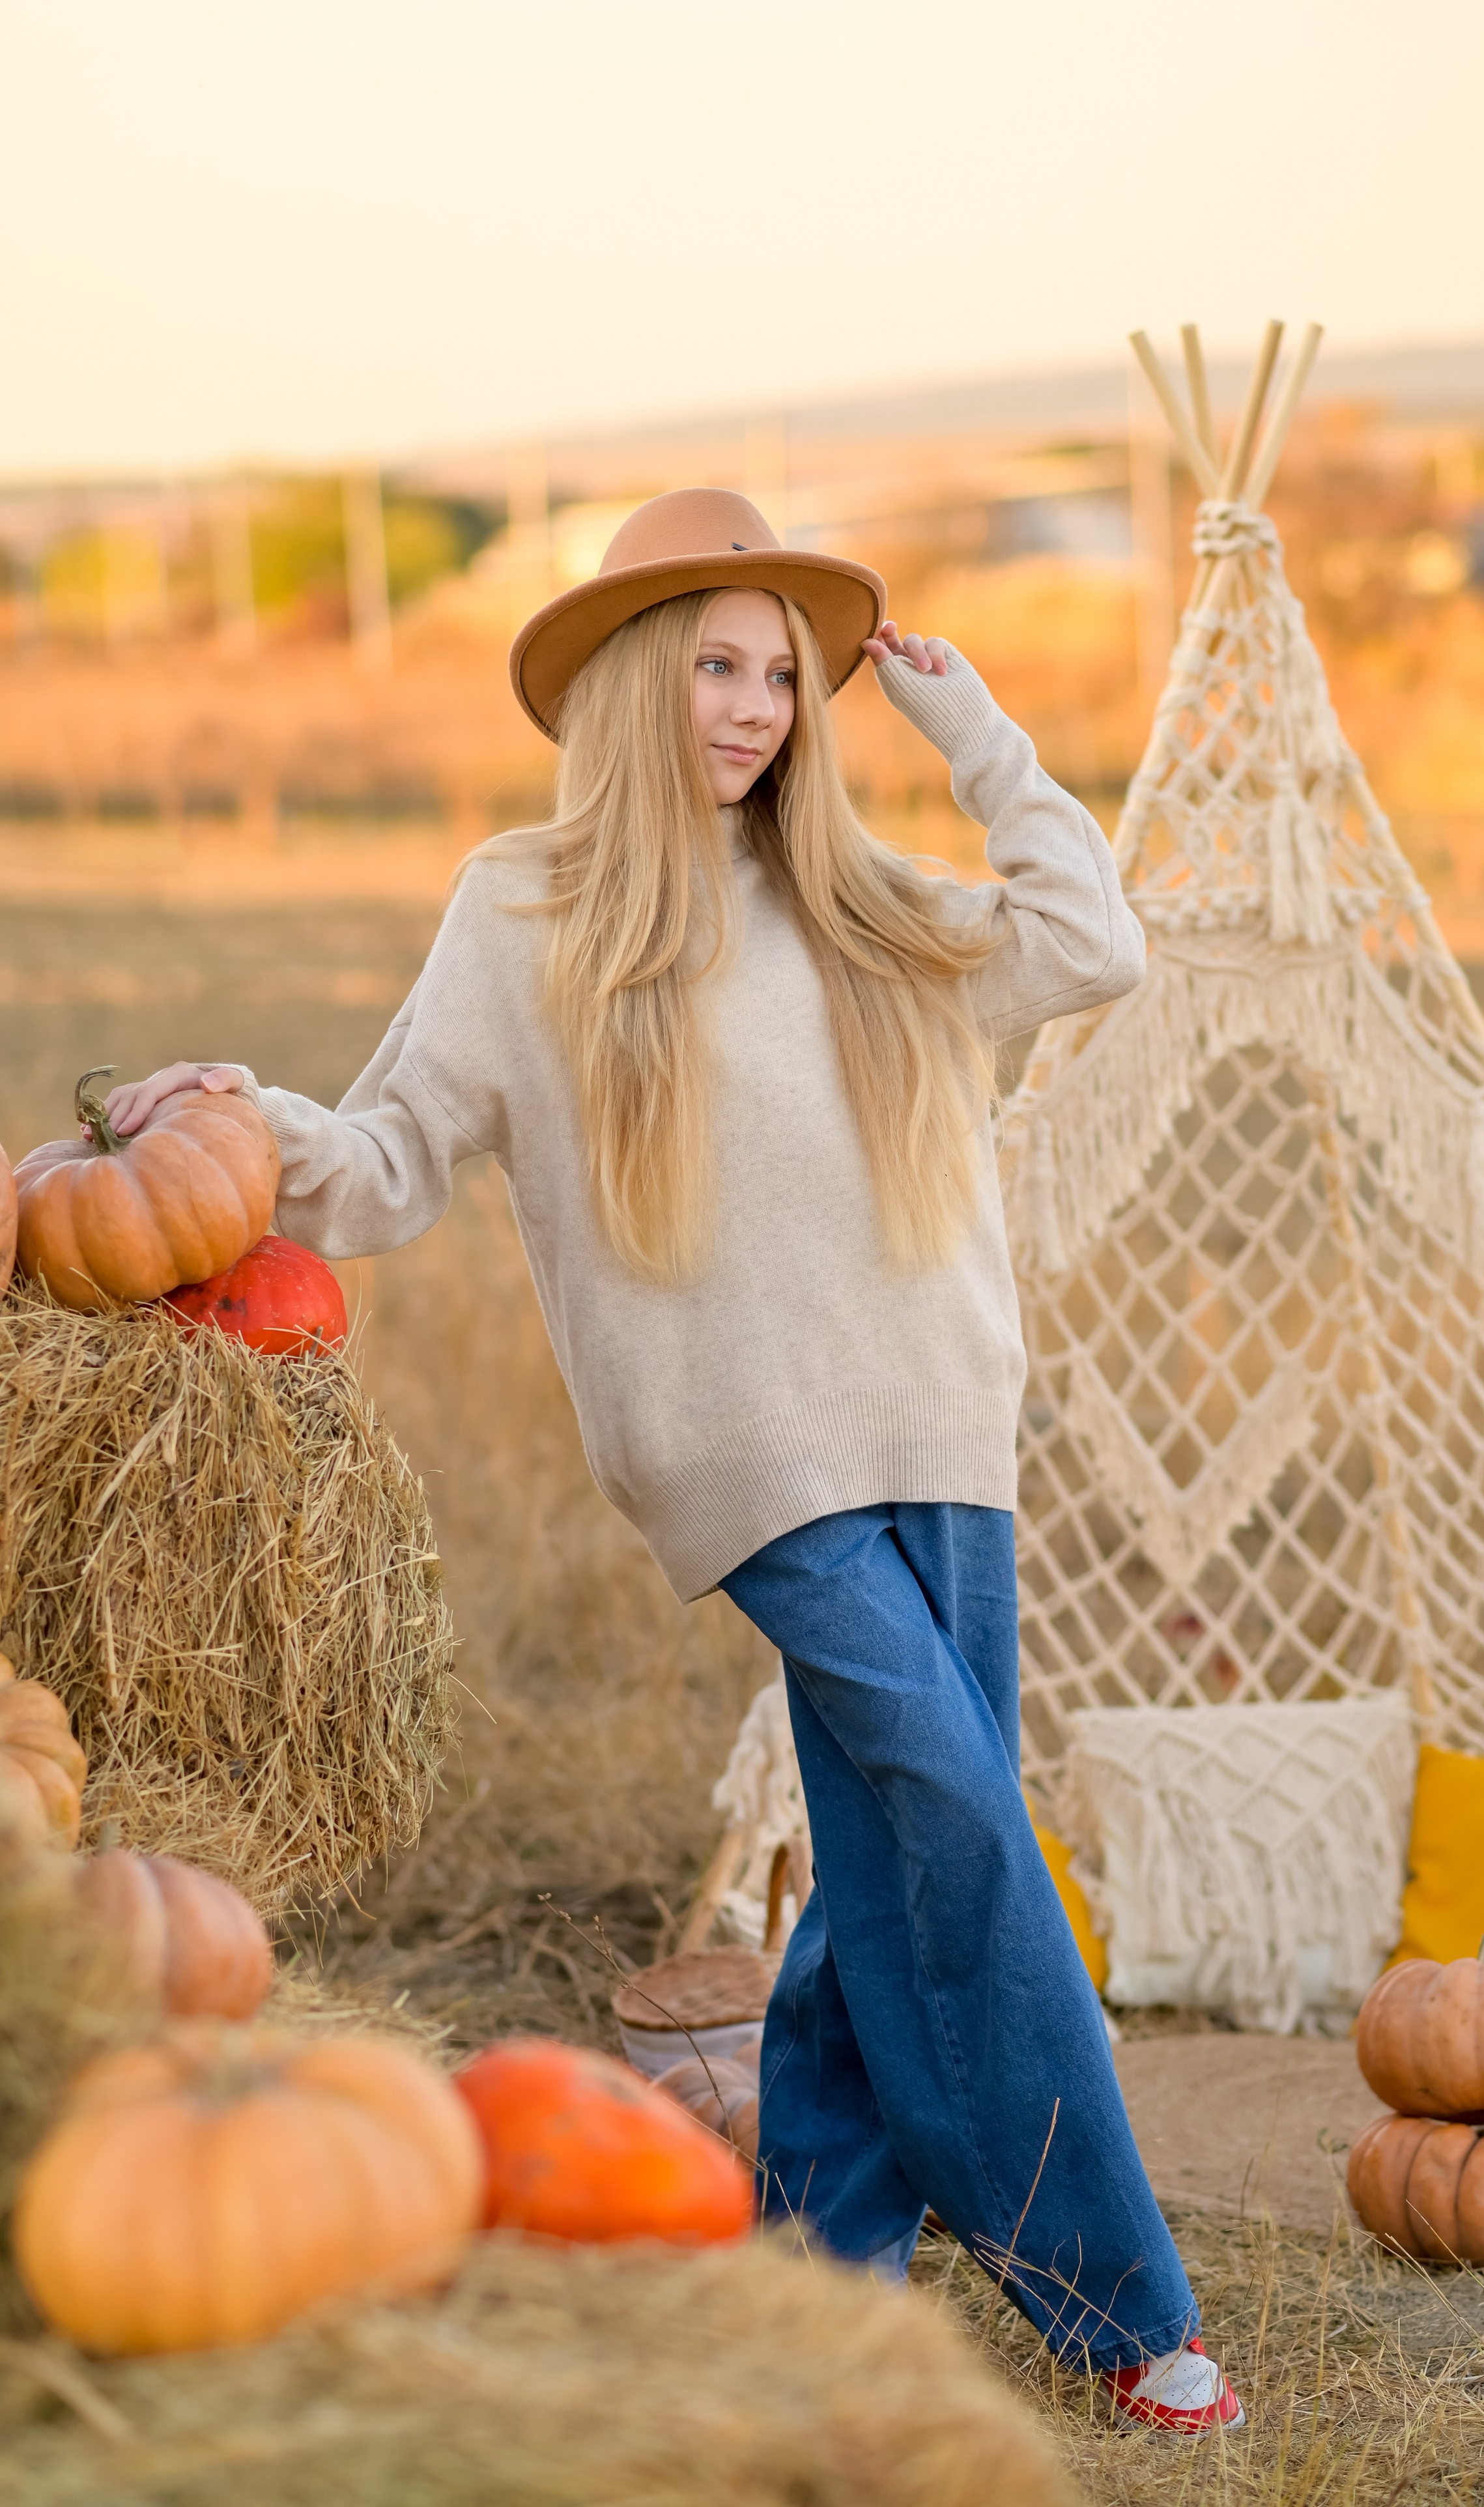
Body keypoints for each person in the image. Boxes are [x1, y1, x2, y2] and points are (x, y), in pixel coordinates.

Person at [106, 489, 1242, 2435]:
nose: (752, 708)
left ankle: (818, 2271)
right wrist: (231, 1122)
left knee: (888, 1862)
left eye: (782, 675)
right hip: (749, 1465)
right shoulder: (527, 909)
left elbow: (1092, 941)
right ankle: (1119, 2306)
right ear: (639, 678)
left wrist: (978, 737)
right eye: (716, 664)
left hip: (949, 1429)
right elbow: (385, 1168)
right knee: (961, 1821)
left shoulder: (861, 899)